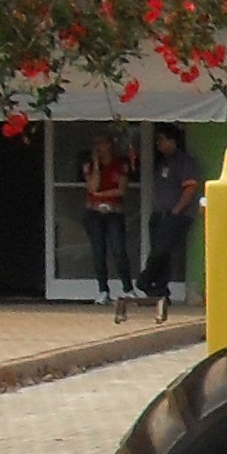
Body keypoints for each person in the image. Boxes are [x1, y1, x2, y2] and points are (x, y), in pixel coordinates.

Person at [137, 130, 200, 325]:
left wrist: (176, 211)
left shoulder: (183, 161)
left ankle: (144, 281)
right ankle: (160, 292)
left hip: (174, 215)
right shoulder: (163, 162)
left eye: (161, 139)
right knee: (162, 254)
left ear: (172, 140)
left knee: (161, 250)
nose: (158, 143)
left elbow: (190, 187)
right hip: (159, 214)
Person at [78, 135, 136, 317]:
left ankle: (127, 288)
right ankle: (103, 290)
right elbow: (91, 187)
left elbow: (121, 189)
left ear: (110, 145)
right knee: (98, 251)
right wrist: (96, 164)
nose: (99, 147)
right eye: (97, 145)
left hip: (114, 212)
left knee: (118, 250)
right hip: (93, 214)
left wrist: (100, 194)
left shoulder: (120, 165)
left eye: (102, 143)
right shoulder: (89, 165)